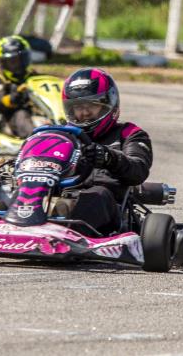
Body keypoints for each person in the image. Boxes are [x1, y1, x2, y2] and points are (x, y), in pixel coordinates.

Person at [60, 68, 153, 234]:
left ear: (108, 104)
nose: (85, 113)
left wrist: (109, 158)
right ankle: (12, 223)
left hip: (108, 206)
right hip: (61, 196)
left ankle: (67, 232)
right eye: (78, 107)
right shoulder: (62, 134)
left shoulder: (128, 133)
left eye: (91, 105)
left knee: (97, 194)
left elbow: (138, 170)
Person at [0, 35, 36, 139]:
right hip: (11, 116)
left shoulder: (34, 77)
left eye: (20, 60)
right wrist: (14, 97)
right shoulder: (1, 80)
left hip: (38, 111)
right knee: (21, 114)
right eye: (12, 62)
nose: (17, 64)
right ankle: (35, 140)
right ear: (3, 63)